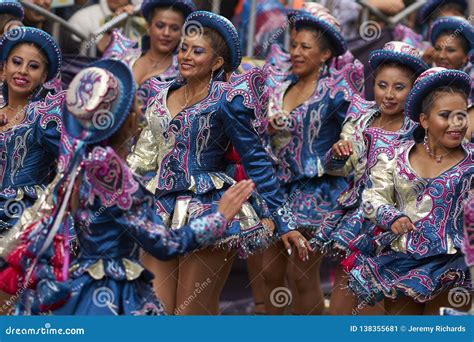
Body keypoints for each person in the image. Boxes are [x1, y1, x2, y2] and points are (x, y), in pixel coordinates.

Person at [0, 58, 257, 315]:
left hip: (81, 285)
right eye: (136, 106)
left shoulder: (82, 163)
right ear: (127, 119)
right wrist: (218, 218)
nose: (141, 114)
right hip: (112, 293)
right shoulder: (109, 173)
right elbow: (163, 243)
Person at [128, 11, 309, 315]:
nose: (185, 55)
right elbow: (144, 154)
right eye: (184, 48)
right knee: (155, 312)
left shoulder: (227, 99)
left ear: (216, 63)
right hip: (158, 209)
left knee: (191, 314)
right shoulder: (159, 93)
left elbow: (255, 159)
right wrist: (116, 194)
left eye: (197, 51)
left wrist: (283, 221)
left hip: (210, 208)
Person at [311, 41, 429, 315]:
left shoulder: (419, 129)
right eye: (382, 85)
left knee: (380, 308)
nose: (388, 95)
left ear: (413, 91)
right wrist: (338, 154)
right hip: (356, 219)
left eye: (399, 87)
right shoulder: (361, 117)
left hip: (397, 225)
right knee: (341, 309)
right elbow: (338, 170)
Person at [349, 67, 472, 315]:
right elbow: (372, 198)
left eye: (461, 116)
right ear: (424, 120)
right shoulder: (394, 157)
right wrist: (391, 217)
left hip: (455, 264)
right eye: (445, 115)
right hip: (402, 260)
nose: (456, 124)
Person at [262, 11, 361, 315]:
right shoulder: (280, 87)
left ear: (326, 53)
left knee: (301, 277)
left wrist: (344, 149)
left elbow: (356, 133)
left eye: (305, 47)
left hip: (316, 194)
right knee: (268, 273)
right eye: (293, 46)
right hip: (276, 189)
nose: (296, 53)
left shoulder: (337, 91)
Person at [103, 0, 195, 123]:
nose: (166, 33)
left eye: (174, 28)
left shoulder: (183, 72)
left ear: (181, 32)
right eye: (160, 26)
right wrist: (116, 23)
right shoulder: (124, 53)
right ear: (148, 26)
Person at [429, 16, 474, 105]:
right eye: (438, 49)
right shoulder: (427, 77)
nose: (441, 56)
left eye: (450, 50)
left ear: (466, 56)